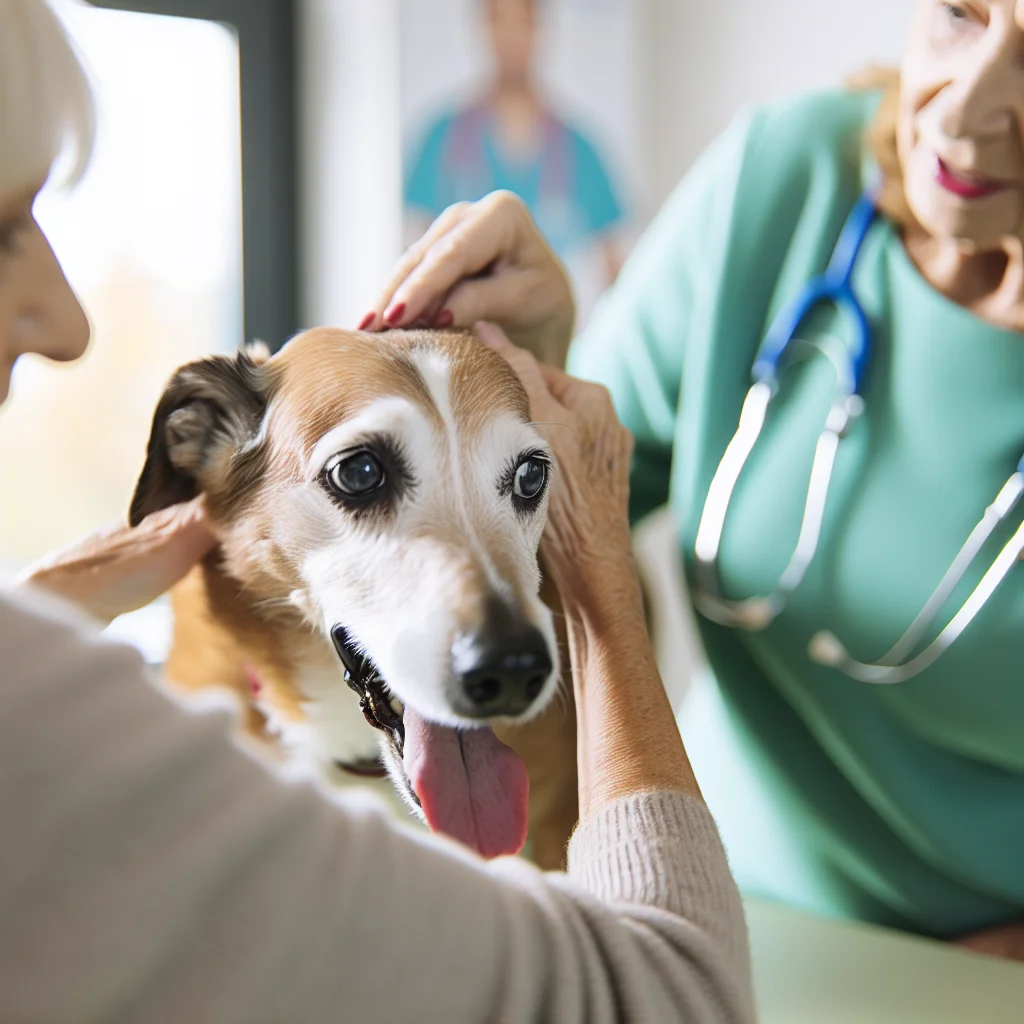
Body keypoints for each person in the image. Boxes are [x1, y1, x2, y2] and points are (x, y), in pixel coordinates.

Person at [0, 1, 753, 1019]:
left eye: (525, 483)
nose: (67, 320)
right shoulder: (135, 724)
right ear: (202, 457)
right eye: (362, 477)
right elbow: (673, 998)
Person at [363, 0, 1024, 962]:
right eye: (963, 16)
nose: (963, 114)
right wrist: (541, 366)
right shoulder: (789, 180)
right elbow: (559, 534)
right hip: (700, 900)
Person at [401, 0, 624, 305]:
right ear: (482, 26)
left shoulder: (582, 154)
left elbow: (618, 278)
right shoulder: (441, 143)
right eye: (499, 19)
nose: (511, 36)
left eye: (524, 20)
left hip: (553, 345)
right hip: (459, 344)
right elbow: (412, 268)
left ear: (542, 28)